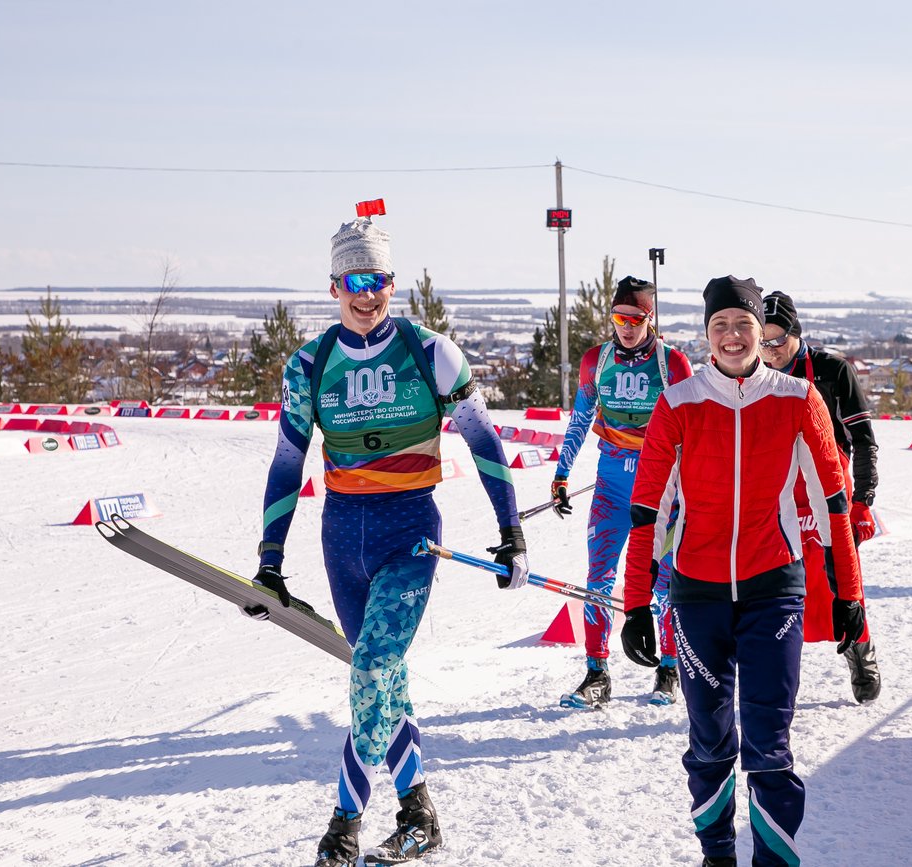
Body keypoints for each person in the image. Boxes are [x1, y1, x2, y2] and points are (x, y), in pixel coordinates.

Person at [250, 206, 529, 866]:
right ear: (334, 287)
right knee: (385, 680)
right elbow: (288, 462)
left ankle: (343, 824)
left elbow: (485, 442)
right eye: (353, 282)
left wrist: (511, 530)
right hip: (341, 537)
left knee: (372, 669)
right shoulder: (309, 364)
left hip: (409, 533)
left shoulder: (431, 353)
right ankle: (418, 815)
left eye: (376, 280)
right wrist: (271, 557)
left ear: (392, 283)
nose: (366, 294)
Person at [620, 276, 866, 867]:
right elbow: (648, 510)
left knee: (769, 745)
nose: (732, 336)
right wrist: (635, 604)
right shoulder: (678, 402)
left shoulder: (797, 398)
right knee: (709, 745)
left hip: (774, 588)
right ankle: (718, 857)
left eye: (743, 324)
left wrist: (849, 595)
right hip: (697, 593)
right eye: (720, 325)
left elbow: (833, 503)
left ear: (762, 330)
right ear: (707, 333)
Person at [549, 276, 694, 708]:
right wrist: (561, 475)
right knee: (598, 579)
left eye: (635, 319)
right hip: (611, 486)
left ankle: (668, 668)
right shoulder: (597, 361)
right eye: (619, 318)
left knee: (663, 584)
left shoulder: (672, 363)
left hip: (661, 489)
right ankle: (597, 673)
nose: (626, 327)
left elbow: (692, 431)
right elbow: (580, 419)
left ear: (650, 318)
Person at [759, 290, 882, 703]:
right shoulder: (754, 376)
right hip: (781, 488)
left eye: (778, 340)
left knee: (841, 577)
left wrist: (863, 501)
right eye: (763, 342)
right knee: (777, 585)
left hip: (829, 488)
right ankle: (777, 672)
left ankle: (859, 652)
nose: (771, 350)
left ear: (796, 332)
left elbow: (863, 440)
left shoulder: (831, 370)